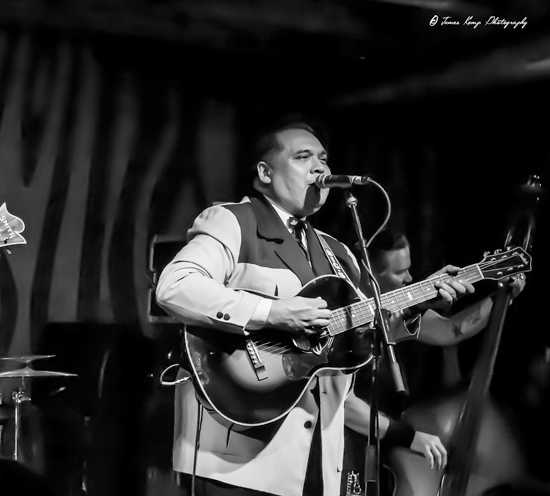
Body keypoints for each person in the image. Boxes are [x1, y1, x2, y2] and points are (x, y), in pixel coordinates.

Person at [155, 121, 472, 496]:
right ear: (265, 173)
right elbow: (175, 286)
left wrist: (421, 304)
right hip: (240, 455)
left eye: (323, 159)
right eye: (303, 157)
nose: (319, 168)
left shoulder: (338, 253)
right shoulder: (235, 221)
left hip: (319, 459)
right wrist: (273, 313)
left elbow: (363, 330)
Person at [341, 227, 527, 492]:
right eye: (399, 272)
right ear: (369, 275)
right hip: (337, 439)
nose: (409, 278)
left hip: (375, 444)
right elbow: (341, 402)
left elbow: (452, 330)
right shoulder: (337, 314)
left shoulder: (400, 313)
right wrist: (409, 436)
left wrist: (501, 297)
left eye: (409, 268)